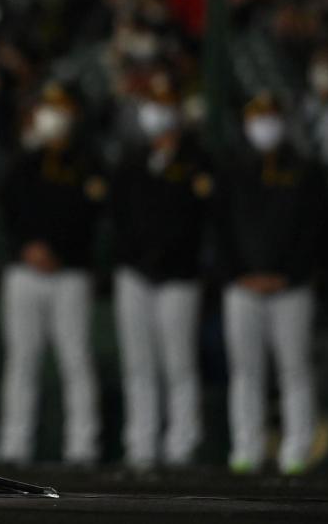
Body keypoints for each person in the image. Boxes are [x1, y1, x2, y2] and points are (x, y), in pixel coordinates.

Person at [0, 84, 105, 466]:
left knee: (75, 359)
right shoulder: (23, 163)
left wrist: (58, 252)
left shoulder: (87, 164)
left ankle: (82, 447)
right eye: (47, 107)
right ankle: (14, 445)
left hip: (70, 273)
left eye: (60, 109)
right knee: (22, 360)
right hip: (25, 272)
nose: (52, 116)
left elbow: (89, 220)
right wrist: (26, 247)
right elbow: (7, 213)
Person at [216, 92, 322, 475]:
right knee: (246, 371)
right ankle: (247, 448)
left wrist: (289, 274)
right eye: (257, 116)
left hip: (289, 287)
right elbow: (221, 227)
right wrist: (239, 274)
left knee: (295, 369)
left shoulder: (304, 170)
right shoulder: (233, 169)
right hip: (243, 286)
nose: (264, 124)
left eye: (271, 115)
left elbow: (312, 230)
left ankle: (298, 451)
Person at [110, 70, 211, 470]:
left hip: (178, 275)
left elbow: (197, 219)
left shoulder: (196, 160)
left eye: (165, 106)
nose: (157, 114)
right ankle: (140, 444)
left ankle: (182, 444)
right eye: (152, 105)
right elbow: (118, 216)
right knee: (138, 363)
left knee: (179, 363)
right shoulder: (131, 160)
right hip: (135, 273)